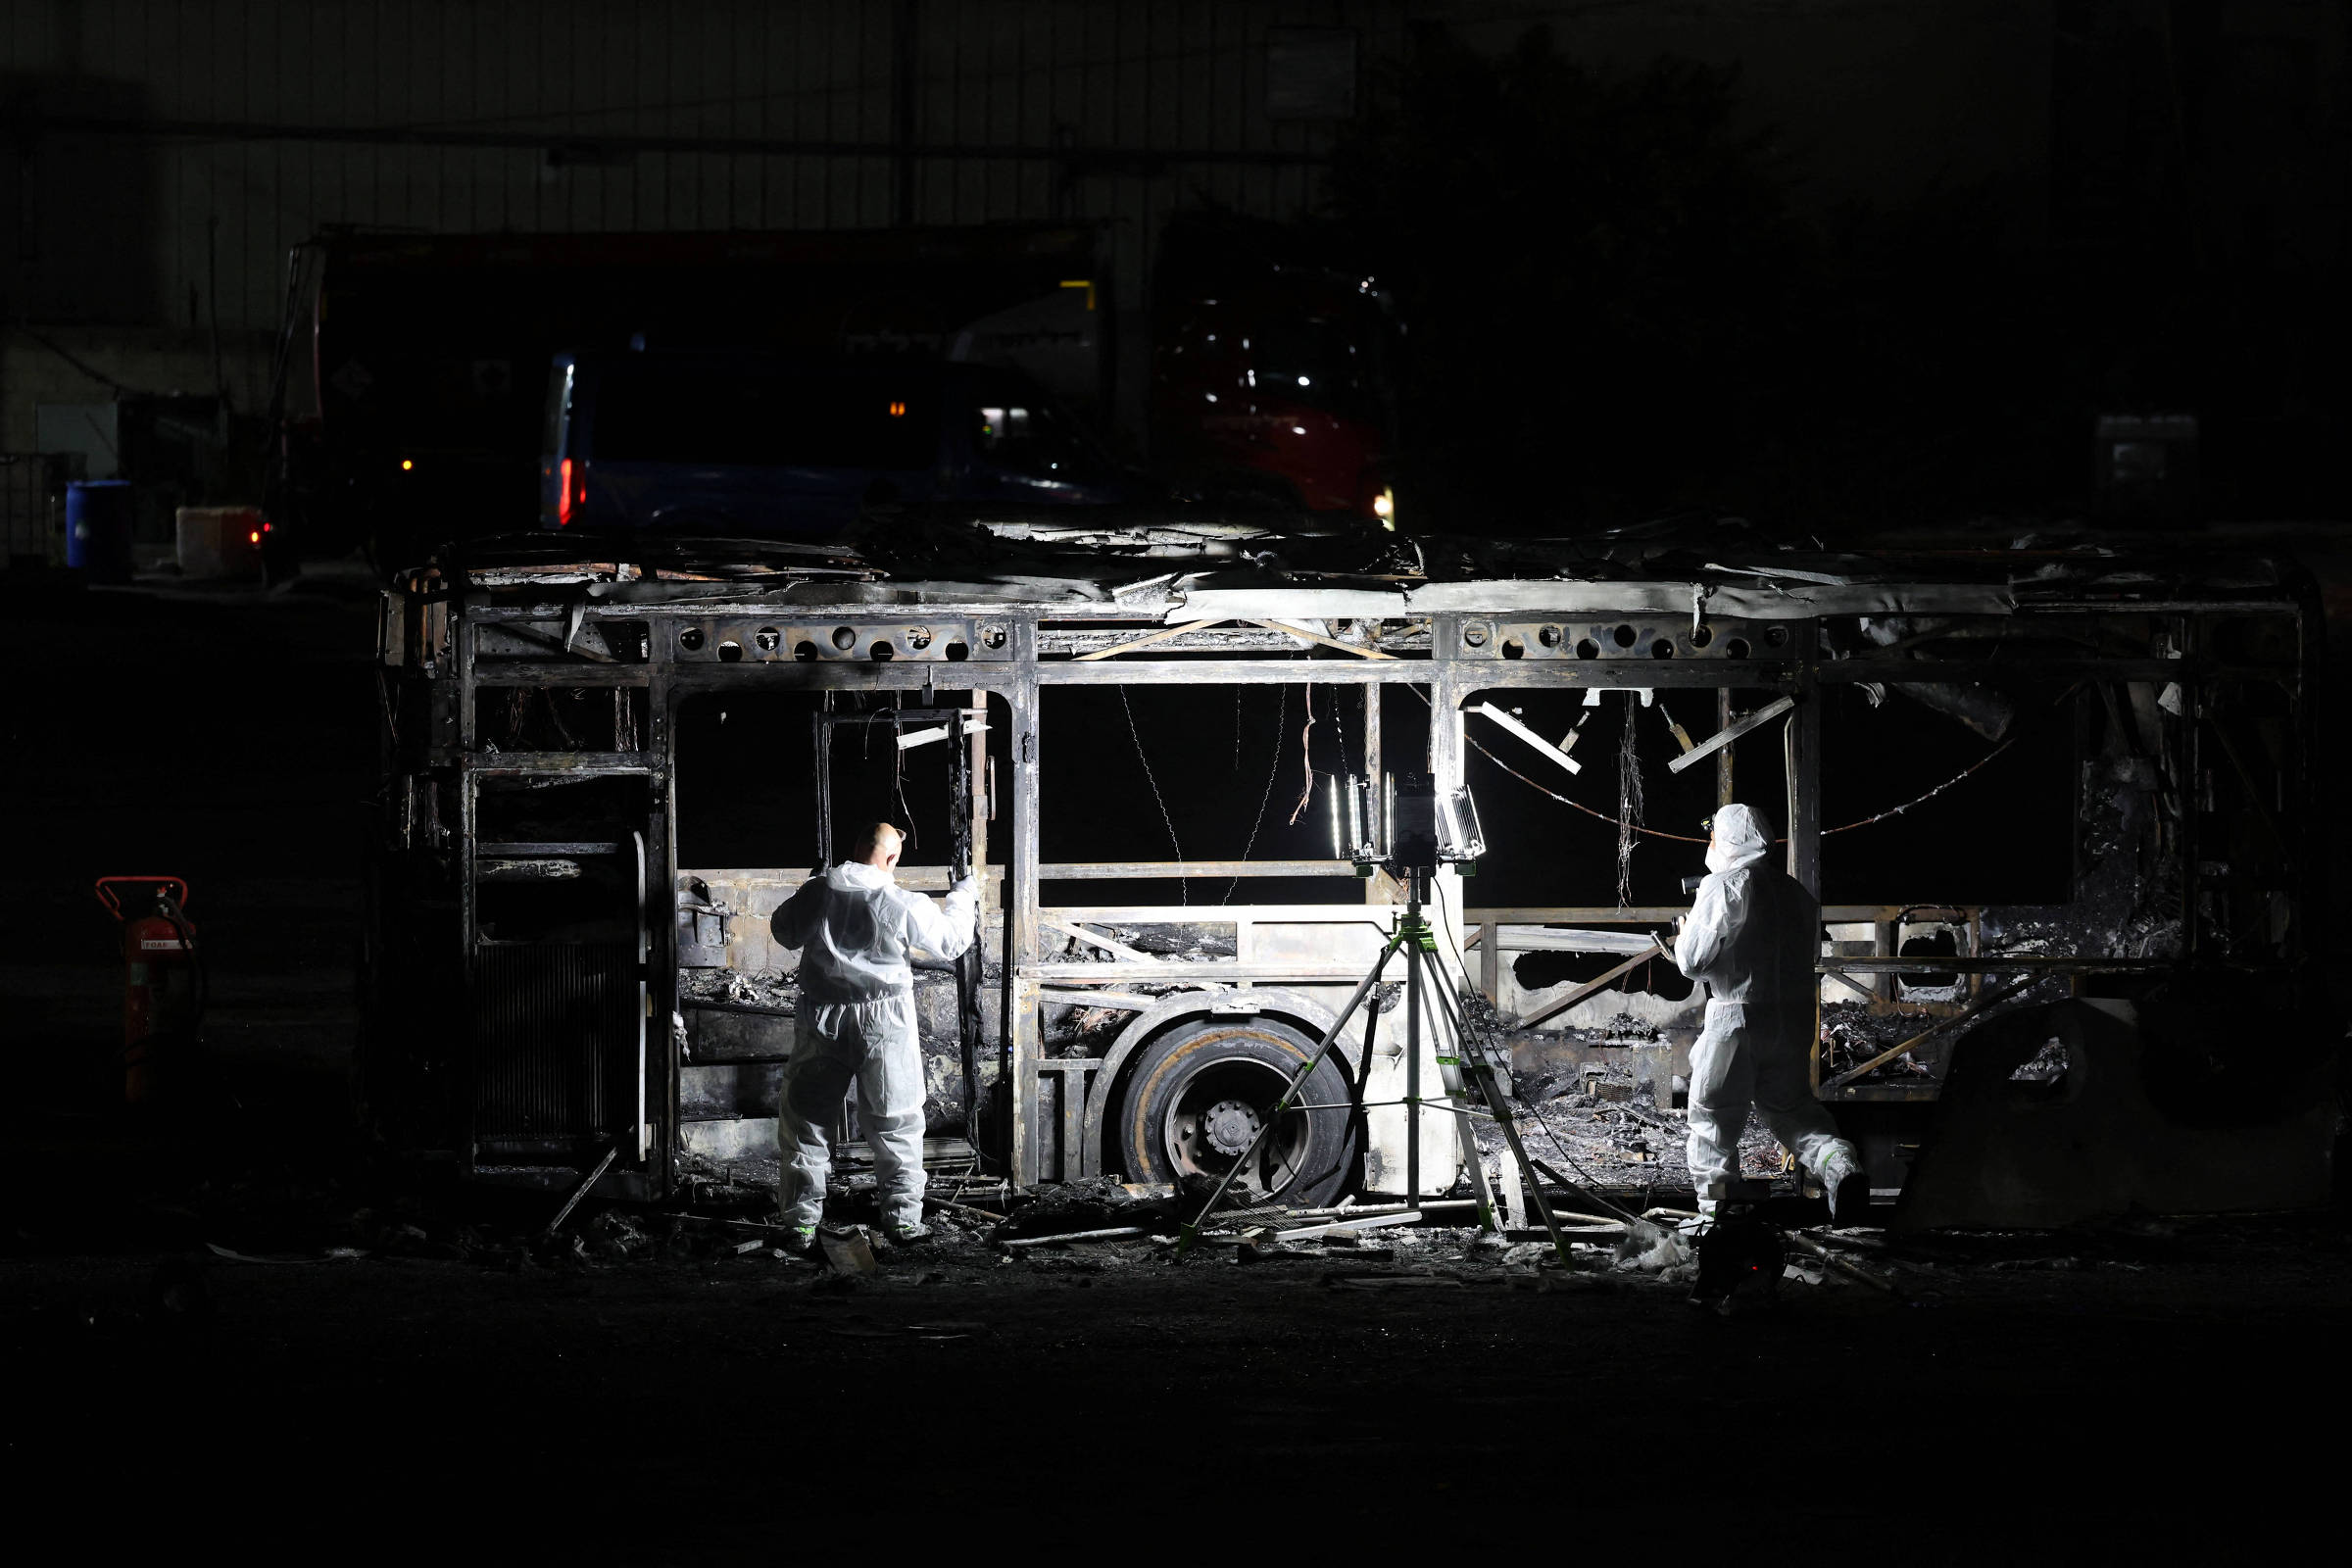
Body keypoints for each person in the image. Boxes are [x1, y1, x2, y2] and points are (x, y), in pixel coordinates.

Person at [769, 822, 978, 1250]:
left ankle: (801, 1224)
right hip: (885, 1020)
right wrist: (962, 894)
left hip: (821, 1016)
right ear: (892, 858)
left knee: (806, 1122)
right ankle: (902, 1220)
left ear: (856, 847)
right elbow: (952, 941)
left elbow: (784, 931)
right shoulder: (901, 901)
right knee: (895, 1120)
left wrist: (810, 885)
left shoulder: (820, 891)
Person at [1670, 803, 1870, 1223]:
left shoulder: (1723, 885)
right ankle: (1841, 1167)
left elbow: (1693, 962)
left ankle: (1718, 1215)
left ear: (1726, 841)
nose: (1709, 844)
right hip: (1792, 1019)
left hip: (1735, 1018)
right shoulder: (1797, 894)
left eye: (1713, 837)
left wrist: (1685, 934)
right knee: (1793, 1110)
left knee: (1714, 1122)